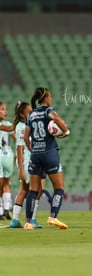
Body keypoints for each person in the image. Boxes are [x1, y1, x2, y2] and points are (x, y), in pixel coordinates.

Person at [24, 87, 71, 230]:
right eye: (50, 96)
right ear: (45, 98)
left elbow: (26, 137)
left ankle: (28, 222)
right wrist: (66, 132)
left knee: (33, 190)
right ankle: (53, 217)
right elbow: (56, 119)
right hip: (50, 153)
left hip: (35, 155)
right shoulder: (48, 110)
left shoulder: (30, 115)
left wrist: (35, 150)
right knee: (59, 188)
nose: (51, 99)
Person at [9, 101, 52, 228]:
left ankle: (16, 220)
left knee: (26, 189)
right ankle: (31, 219)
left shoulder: (27, 125)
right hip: (27, 160)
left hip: (31, 159)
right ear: (22, 114)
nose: (32, 113)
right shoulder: (21, 127)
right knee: (36, 190)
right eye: (29, 112)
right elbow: (19, 148)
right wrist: (21, 169)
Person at [0, 102, 16, 221]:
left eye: (5, 109)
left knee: (7, 182)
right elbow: (10, 129)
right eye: (2, 109)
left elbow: (15, 137)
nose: (5, 112)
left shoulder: (7, 123)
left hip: (7, 154)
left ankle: (6, 208)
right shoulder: (6, 125)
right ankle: (1, 209)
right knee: (1, 183)